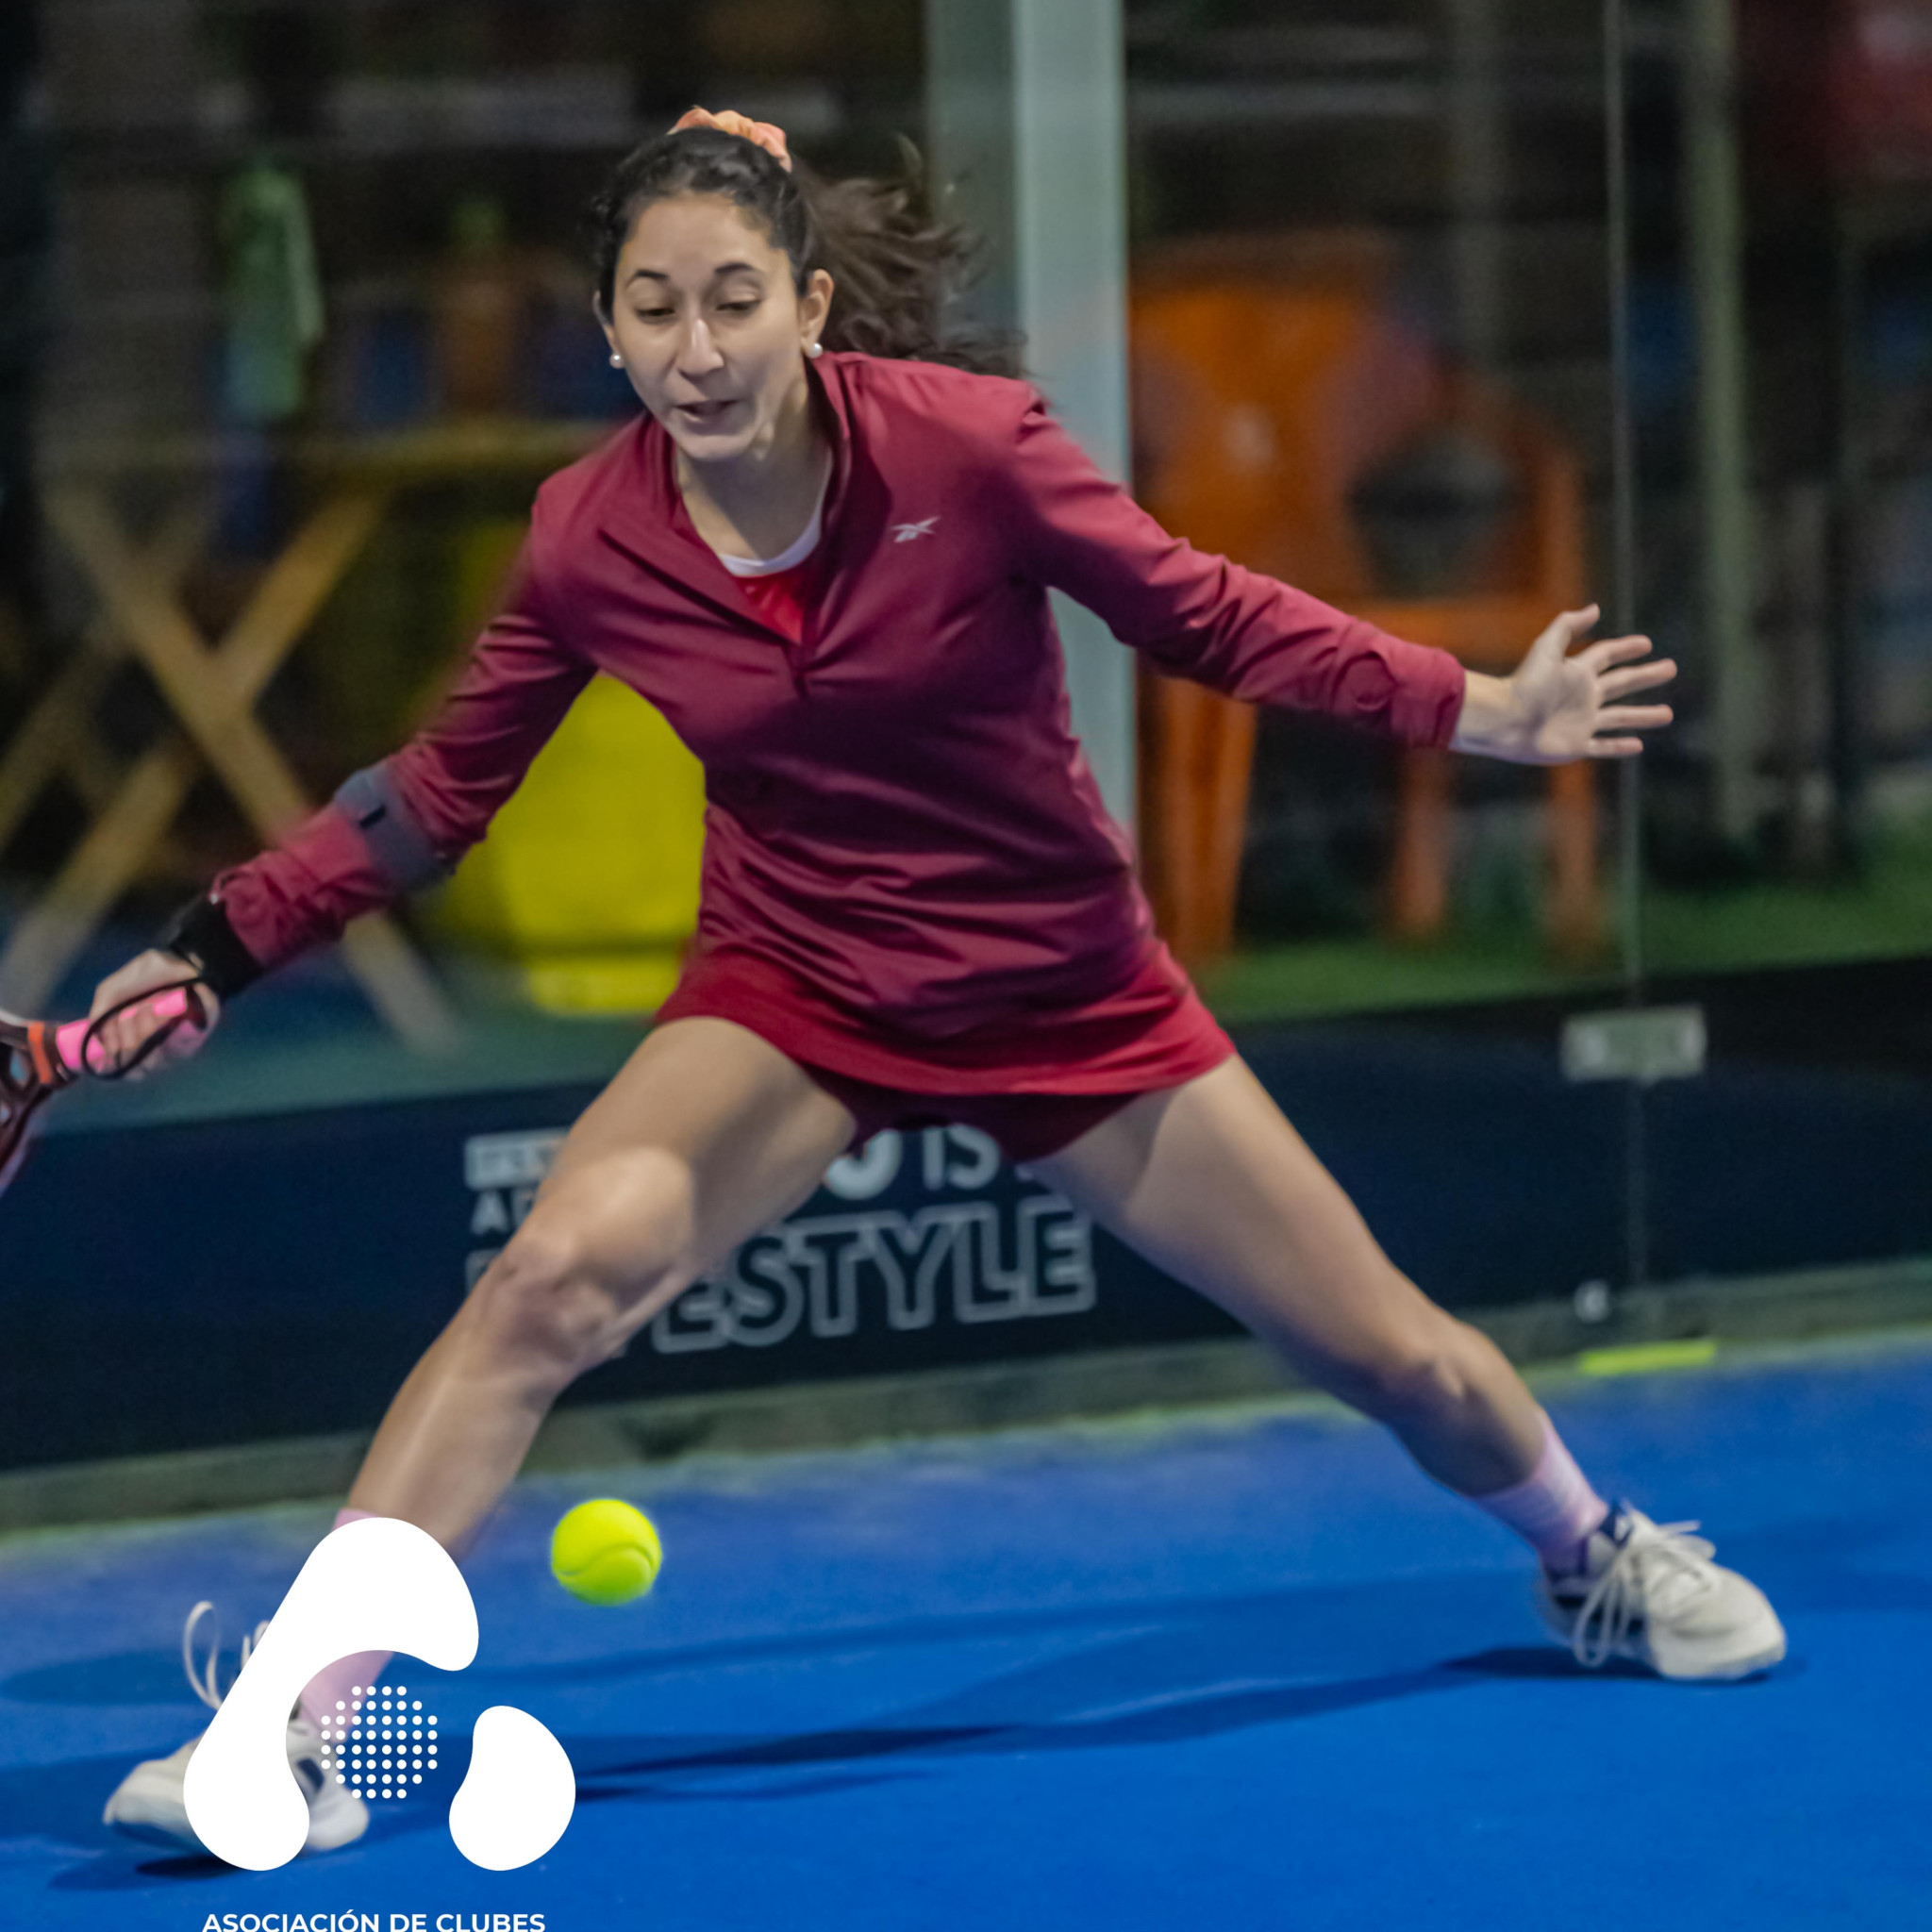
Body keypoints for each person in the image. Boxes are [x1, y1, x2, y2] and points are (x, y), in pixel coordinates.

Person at [99, 110, 1783, 1857]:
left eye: (735, 300)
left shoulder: (969, 451)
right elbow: (440, 792)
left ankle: (1591, 1550)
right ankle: (301, 1729)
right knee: (546, 1281)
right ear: (606, 331)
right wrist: (217, 947)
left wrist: (1477, 706)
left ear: (811, 306)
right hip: (795, 988)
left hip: (1065, 990)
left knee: (1399, 1359)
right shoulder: (588, 536)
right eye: (655, 308)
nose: (698, 349)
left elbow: (1199, 610)